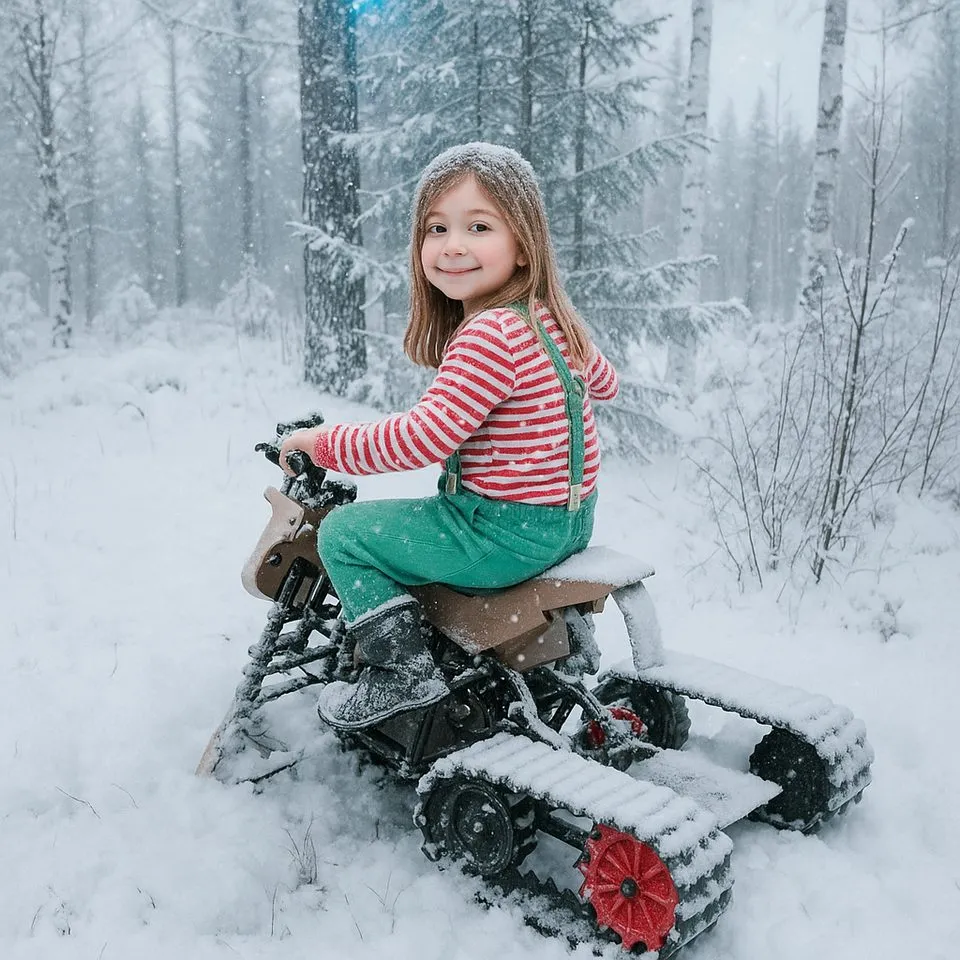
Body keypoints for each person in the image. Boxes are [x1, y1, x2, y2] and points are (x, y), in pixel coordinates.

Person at [279, 142, 619, 730]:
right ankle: (554, 639)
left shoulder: (490, 335)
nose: (453, 244)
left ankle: (401, 673)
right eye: (436, 228)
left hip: (499, 533)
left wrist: (322, 443)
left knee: (345, 534)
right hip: (567, 523)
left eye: (478, 226)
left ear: (523, 246)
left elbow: (420, 440)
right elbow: (605, 383)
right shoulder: (550, 320)